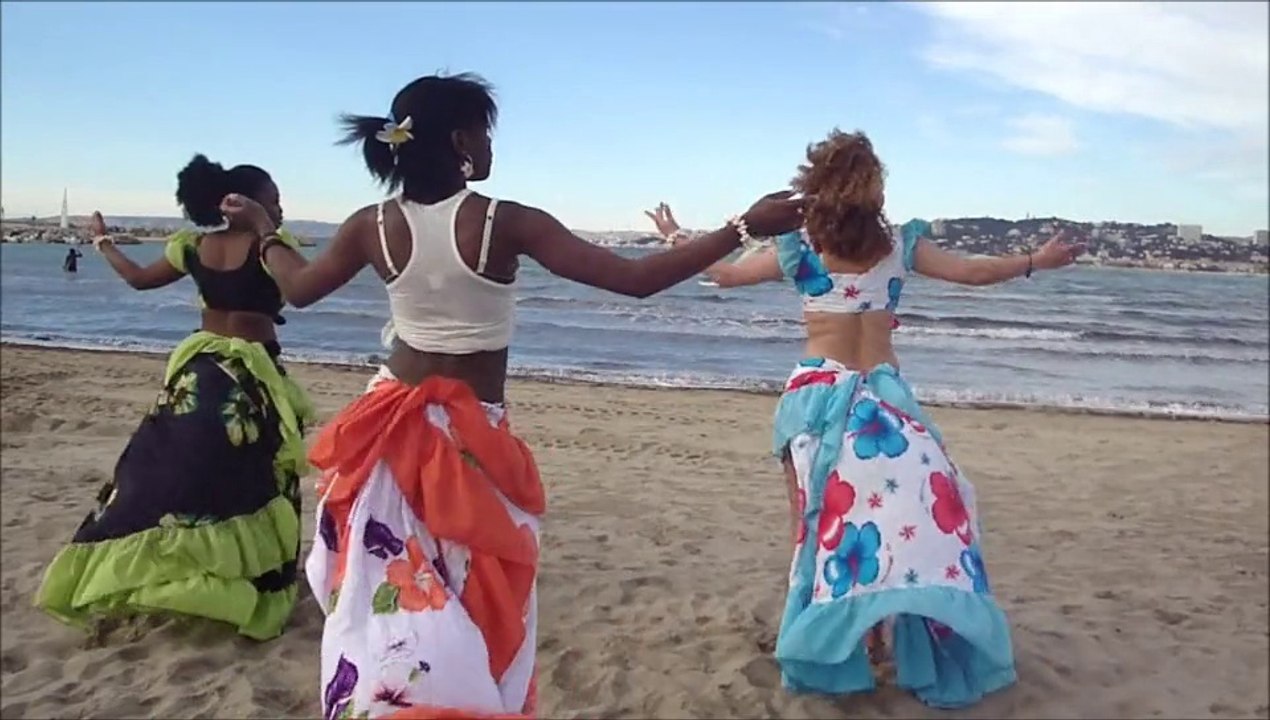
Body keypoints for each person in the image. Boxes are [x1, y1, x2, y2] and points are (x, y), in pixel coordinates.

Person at [217, 71, 806, 718]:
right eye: (487, 133)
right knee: (474, 600)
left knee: (390, 604)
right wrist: (740, 225)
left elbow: (298, 290)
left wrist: (267, 233)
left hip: (386, 430)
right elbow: (635, 281)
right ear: (462, 140)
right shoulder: (503, 221)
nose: (493, 147)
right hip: (468, 444)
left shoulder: (371, 224)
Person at [645, 129, 1085, 708]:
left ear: (814, 186)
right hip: (883, 408)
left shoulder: (795, 248)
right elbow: (974, 272)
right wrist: (1036, 260)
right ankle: (884, 627)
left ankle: (823, 631)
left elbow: (722, 275)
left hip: (814, 400)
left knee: (813, 523)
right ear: (875, 187)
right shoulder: (901, 245)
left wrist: (677, 237)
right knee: (917, 508)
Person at [34, 155, 315, 641]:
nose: (280, 208)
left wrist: (104, 243)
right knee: (260, 472)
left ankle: (164, 565)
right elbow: (302, 286)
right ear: (245, 204)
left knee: (165, 469)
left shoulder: (193, 246)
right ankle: (249, 577)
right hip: (249, 376)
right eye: (273, 200)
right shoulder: (273, 245)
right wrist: (267, 230)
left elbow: (138, 279)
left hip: (199, 370)